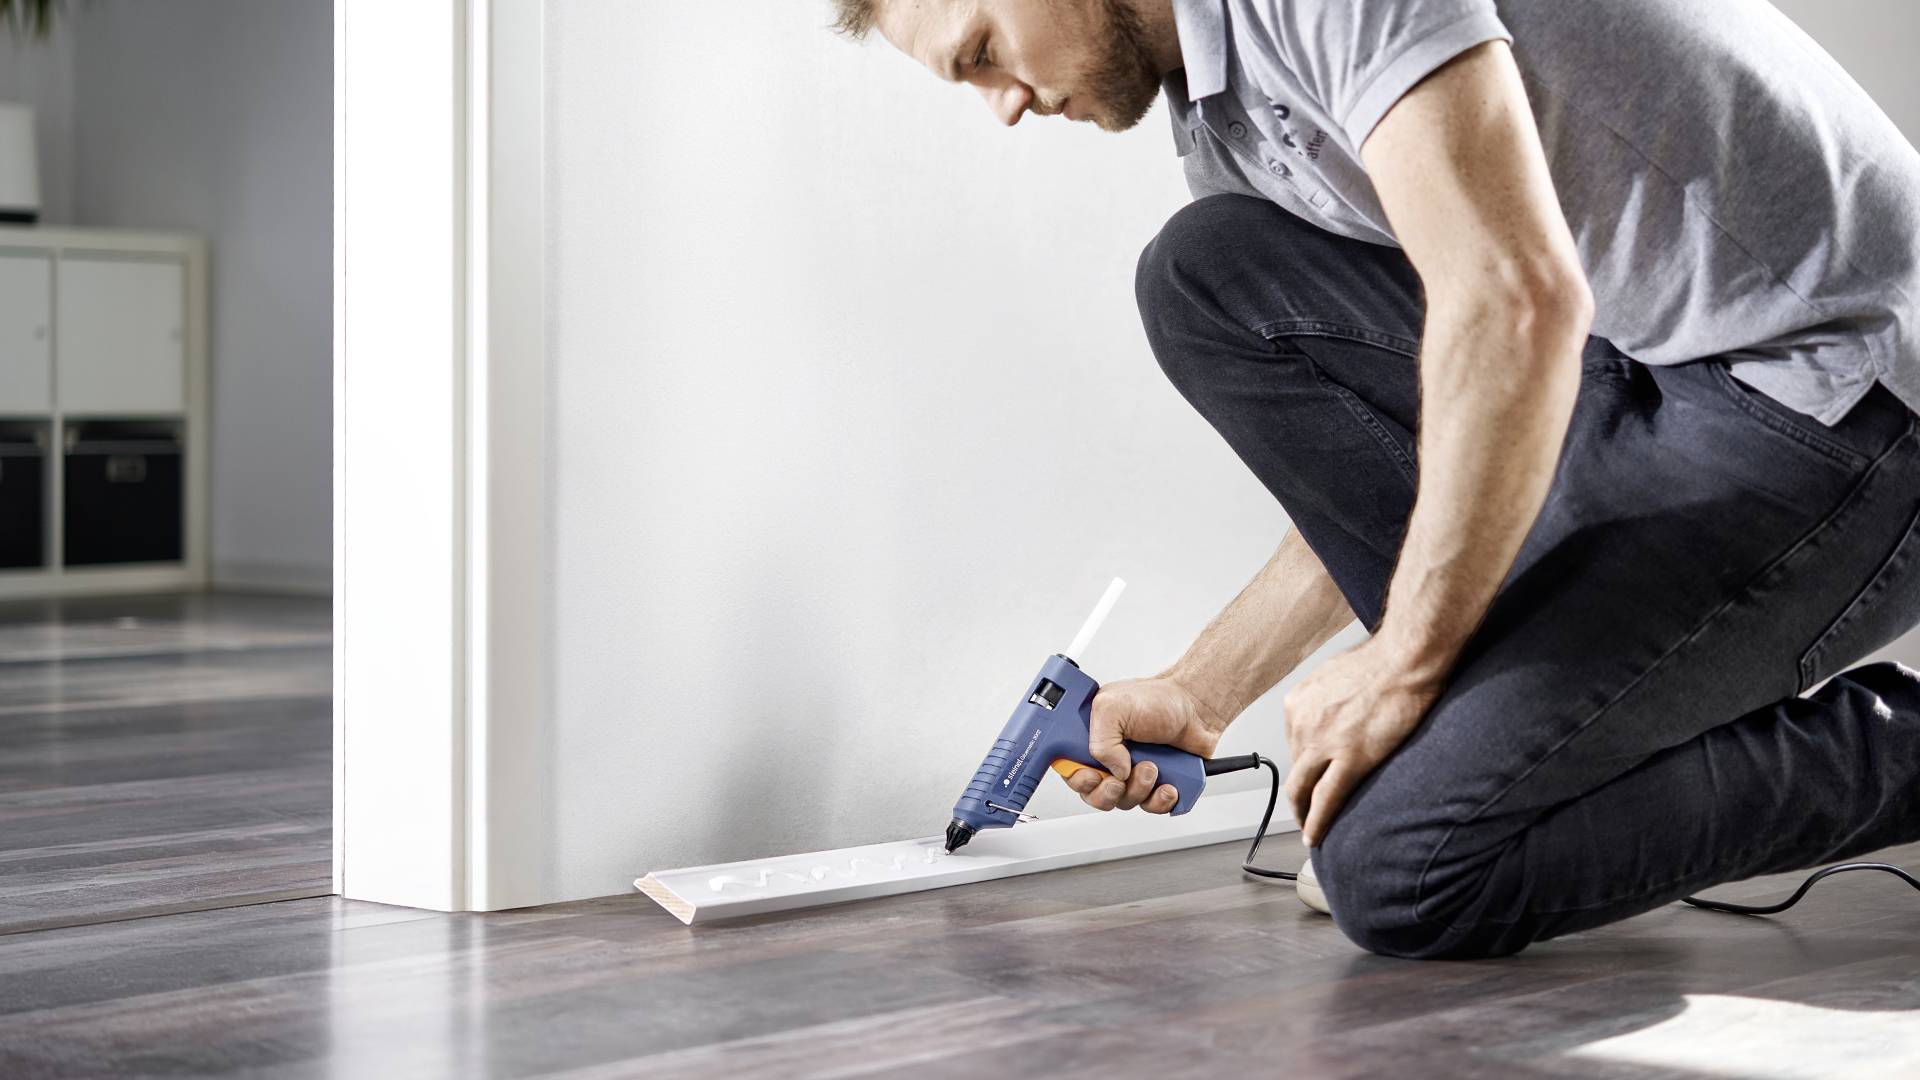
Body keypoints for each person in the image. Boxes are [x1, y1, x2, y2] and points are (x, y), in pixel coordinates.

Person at [830, 0, 1920, 959]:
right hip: (1631, 378)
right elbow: (1468, 400)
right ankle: (1523, 749)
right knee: (1207, 275)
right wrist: (1204, 691)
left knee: (1402, 868)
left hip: (1834, 390)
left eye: (980, 52)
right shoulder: (1228, 123)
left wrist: (1402, 666)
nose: (1001, 106)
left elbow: (1514, 304)